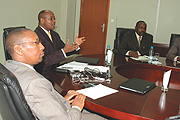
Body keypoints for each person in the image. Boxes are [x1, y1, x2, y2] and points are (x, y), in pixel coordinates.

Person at [4, 28, 106, 120]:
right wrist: (76, 106)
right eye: (36, 43)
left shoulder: (8, 67)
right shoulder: (35, 83)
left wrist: (60, 100)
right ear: (18, 49)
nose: (42, 47)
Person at [34, 10, 85, 79]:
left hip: (56, 69)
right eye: (51, 19)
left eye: (54, 19)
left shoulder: (54, 35)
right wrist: (64, 51)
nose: (54, 21)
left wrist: (75, 45)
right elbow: (43, 61)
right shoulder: (36, 36)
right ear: (42, 20)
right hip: (44, 74)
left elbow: (64, 50)